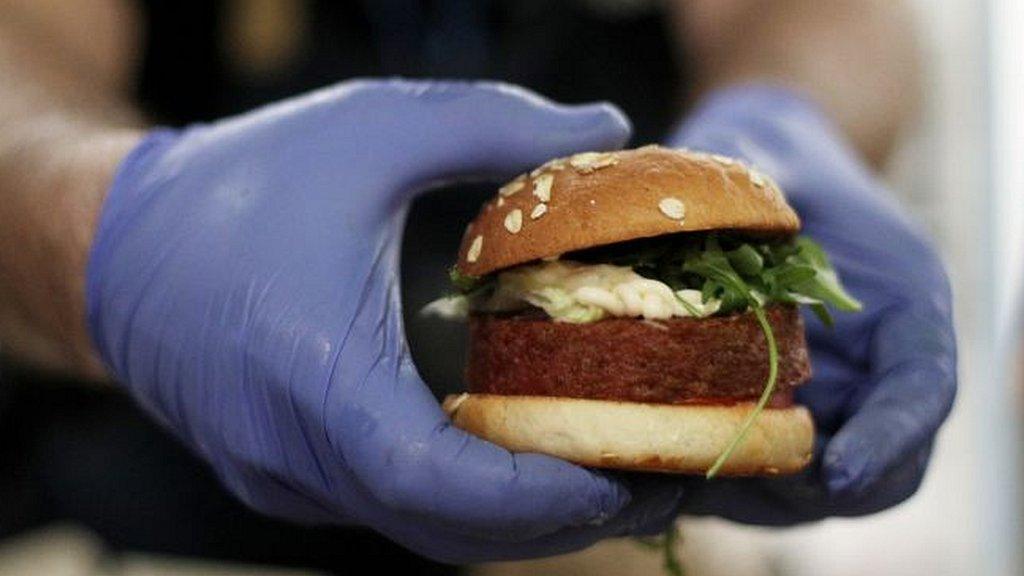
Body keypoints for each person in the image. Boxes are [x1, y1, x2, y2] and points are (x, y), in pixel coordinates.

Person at [0, 0, 956, 573]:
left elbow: (827, 14)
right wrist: (114, 221)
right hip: (154, 517)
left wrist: (789, 108)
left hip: (591, 548)